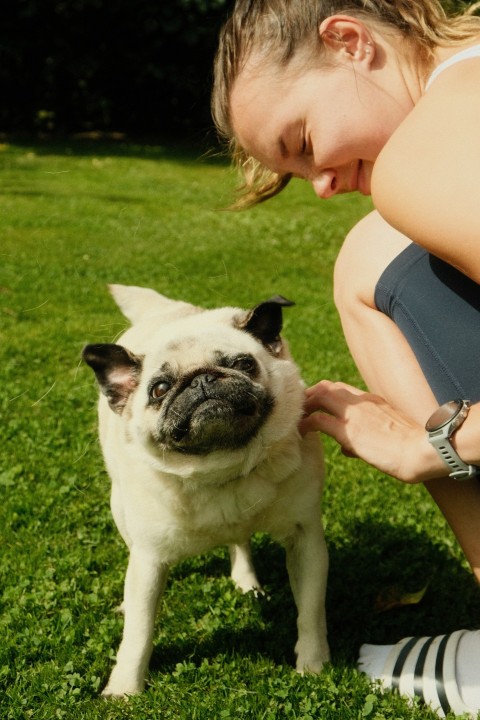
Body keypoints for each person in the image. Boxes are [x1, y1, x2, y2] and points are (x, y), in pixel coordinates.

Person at [211, 0, 480, 716]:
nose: (322, 183)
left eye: (300, 140)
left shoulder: (424, 156)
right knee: (372, 252)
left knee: (372, 248)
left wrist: (444, 443)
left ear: (351, 42)